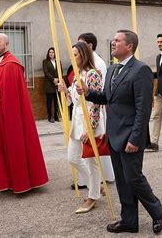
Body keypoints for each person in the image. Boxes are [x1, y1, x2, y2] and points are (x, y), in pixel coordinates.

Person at [77, 30, 162, 234]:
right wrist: (89, 93)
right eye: (113, 40)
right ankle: (129, 220)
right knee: (123, 180)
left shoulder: (140, 70)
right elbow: (108, 97)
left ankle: (156, 210)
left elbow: (144, 108)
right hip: (114, 135)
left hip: (130, 136)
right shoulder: (113, 69)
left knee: (134, 177)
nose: (113, 43)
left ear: (129, 46)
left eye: (117, 40)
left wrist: (135, 138)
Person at [0, 33, 48, 193]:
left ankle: (21, 182)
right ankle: (11, 180)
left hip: (12, 116)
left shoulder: (11, 64)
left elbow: (9, 95)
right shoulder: (2, 64)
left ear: (6, 44)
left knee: (15, 146)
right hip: (3, 114)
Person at [59, 42, 104, 213]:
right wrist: (65, 91)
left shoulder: (92, 74)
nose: (73, 58)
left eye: (75, 54)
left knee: (91, 161)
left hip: (88, 122)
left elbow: (96, 104)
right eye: (71, 55)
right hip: (76, 122)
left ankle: (92, 196)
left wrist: (91, 128)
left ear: (84, 55)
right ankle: (95, 185)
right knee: (73, 158)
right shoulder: (76, 74)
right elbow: (73, 101)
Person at [74, 32, 115, 188]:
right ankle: (94, 181)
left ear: (88, 47)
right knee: (84, 154)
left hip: (93, 111)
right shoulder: (79, 69)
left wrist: (91, 125)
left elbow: (97, 94)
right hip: (81, 113)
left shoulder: (97, 66)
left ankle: (99, 180)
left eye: (80, 46)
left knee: (96, 151)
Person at [42, 47, 59, 123]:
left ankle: (56, 116)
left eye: (52, 52)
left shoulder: (58, 61)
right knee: (49, 102)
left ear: (55, 53)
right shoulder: (45, 61)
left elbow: (60, 71)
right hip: (49, 84)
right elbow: (46, 72)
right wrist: (53, 79)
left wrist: (58, 79)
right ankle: (50, 117)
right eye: (50, 52)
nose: (51, 54)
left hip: (57, 84)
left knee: (57, 102)